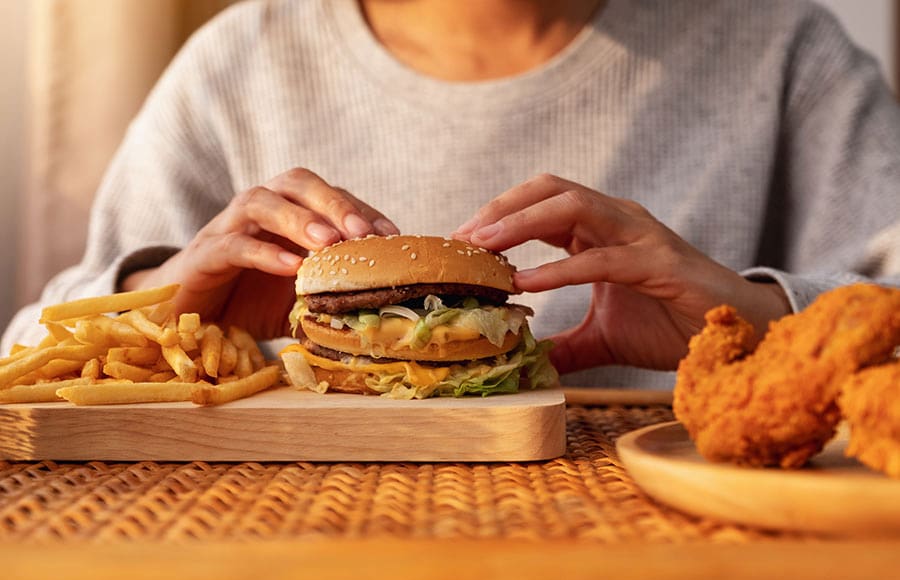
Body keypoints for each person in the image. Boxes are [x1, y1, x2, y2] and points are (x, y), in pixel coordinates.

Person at [4, 0, 899, 390]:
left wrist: (756, 317)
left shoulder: (786, 50)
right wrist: (156, 303)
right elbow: (20, 362)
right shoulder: (233, 65)